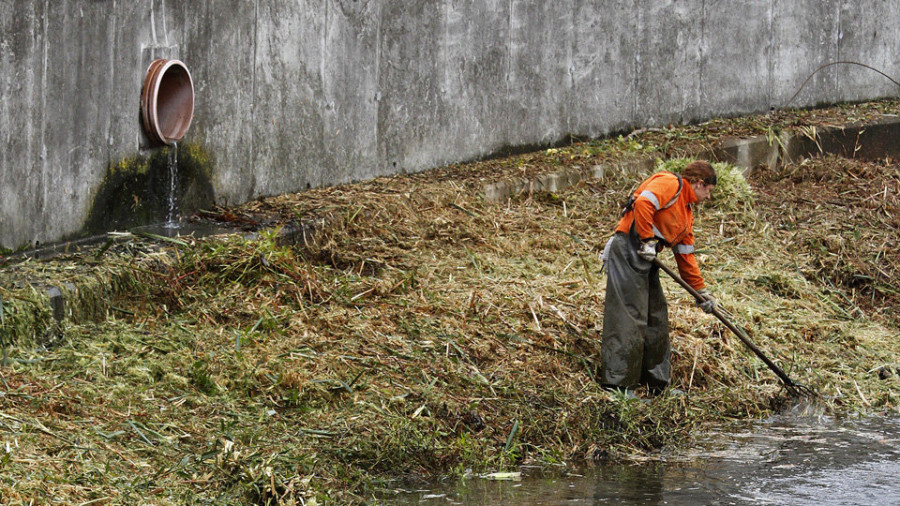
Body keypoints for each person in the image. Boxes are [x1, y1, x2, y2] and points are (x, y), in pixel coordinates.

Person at [599, 160, 718, 398]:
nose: (708, 197)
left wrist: (701, 292)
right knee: (629, 316)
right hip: (628, 250)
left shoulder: (686, 214)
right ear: (699, 183)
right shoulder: (670, 184)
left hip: (648, 258)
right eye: (709, 191)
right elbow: (643, 202)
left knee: (656, 317)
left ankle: (656, 385)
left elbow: (686, 257)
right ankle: (619, 386)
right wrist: (647, 240)